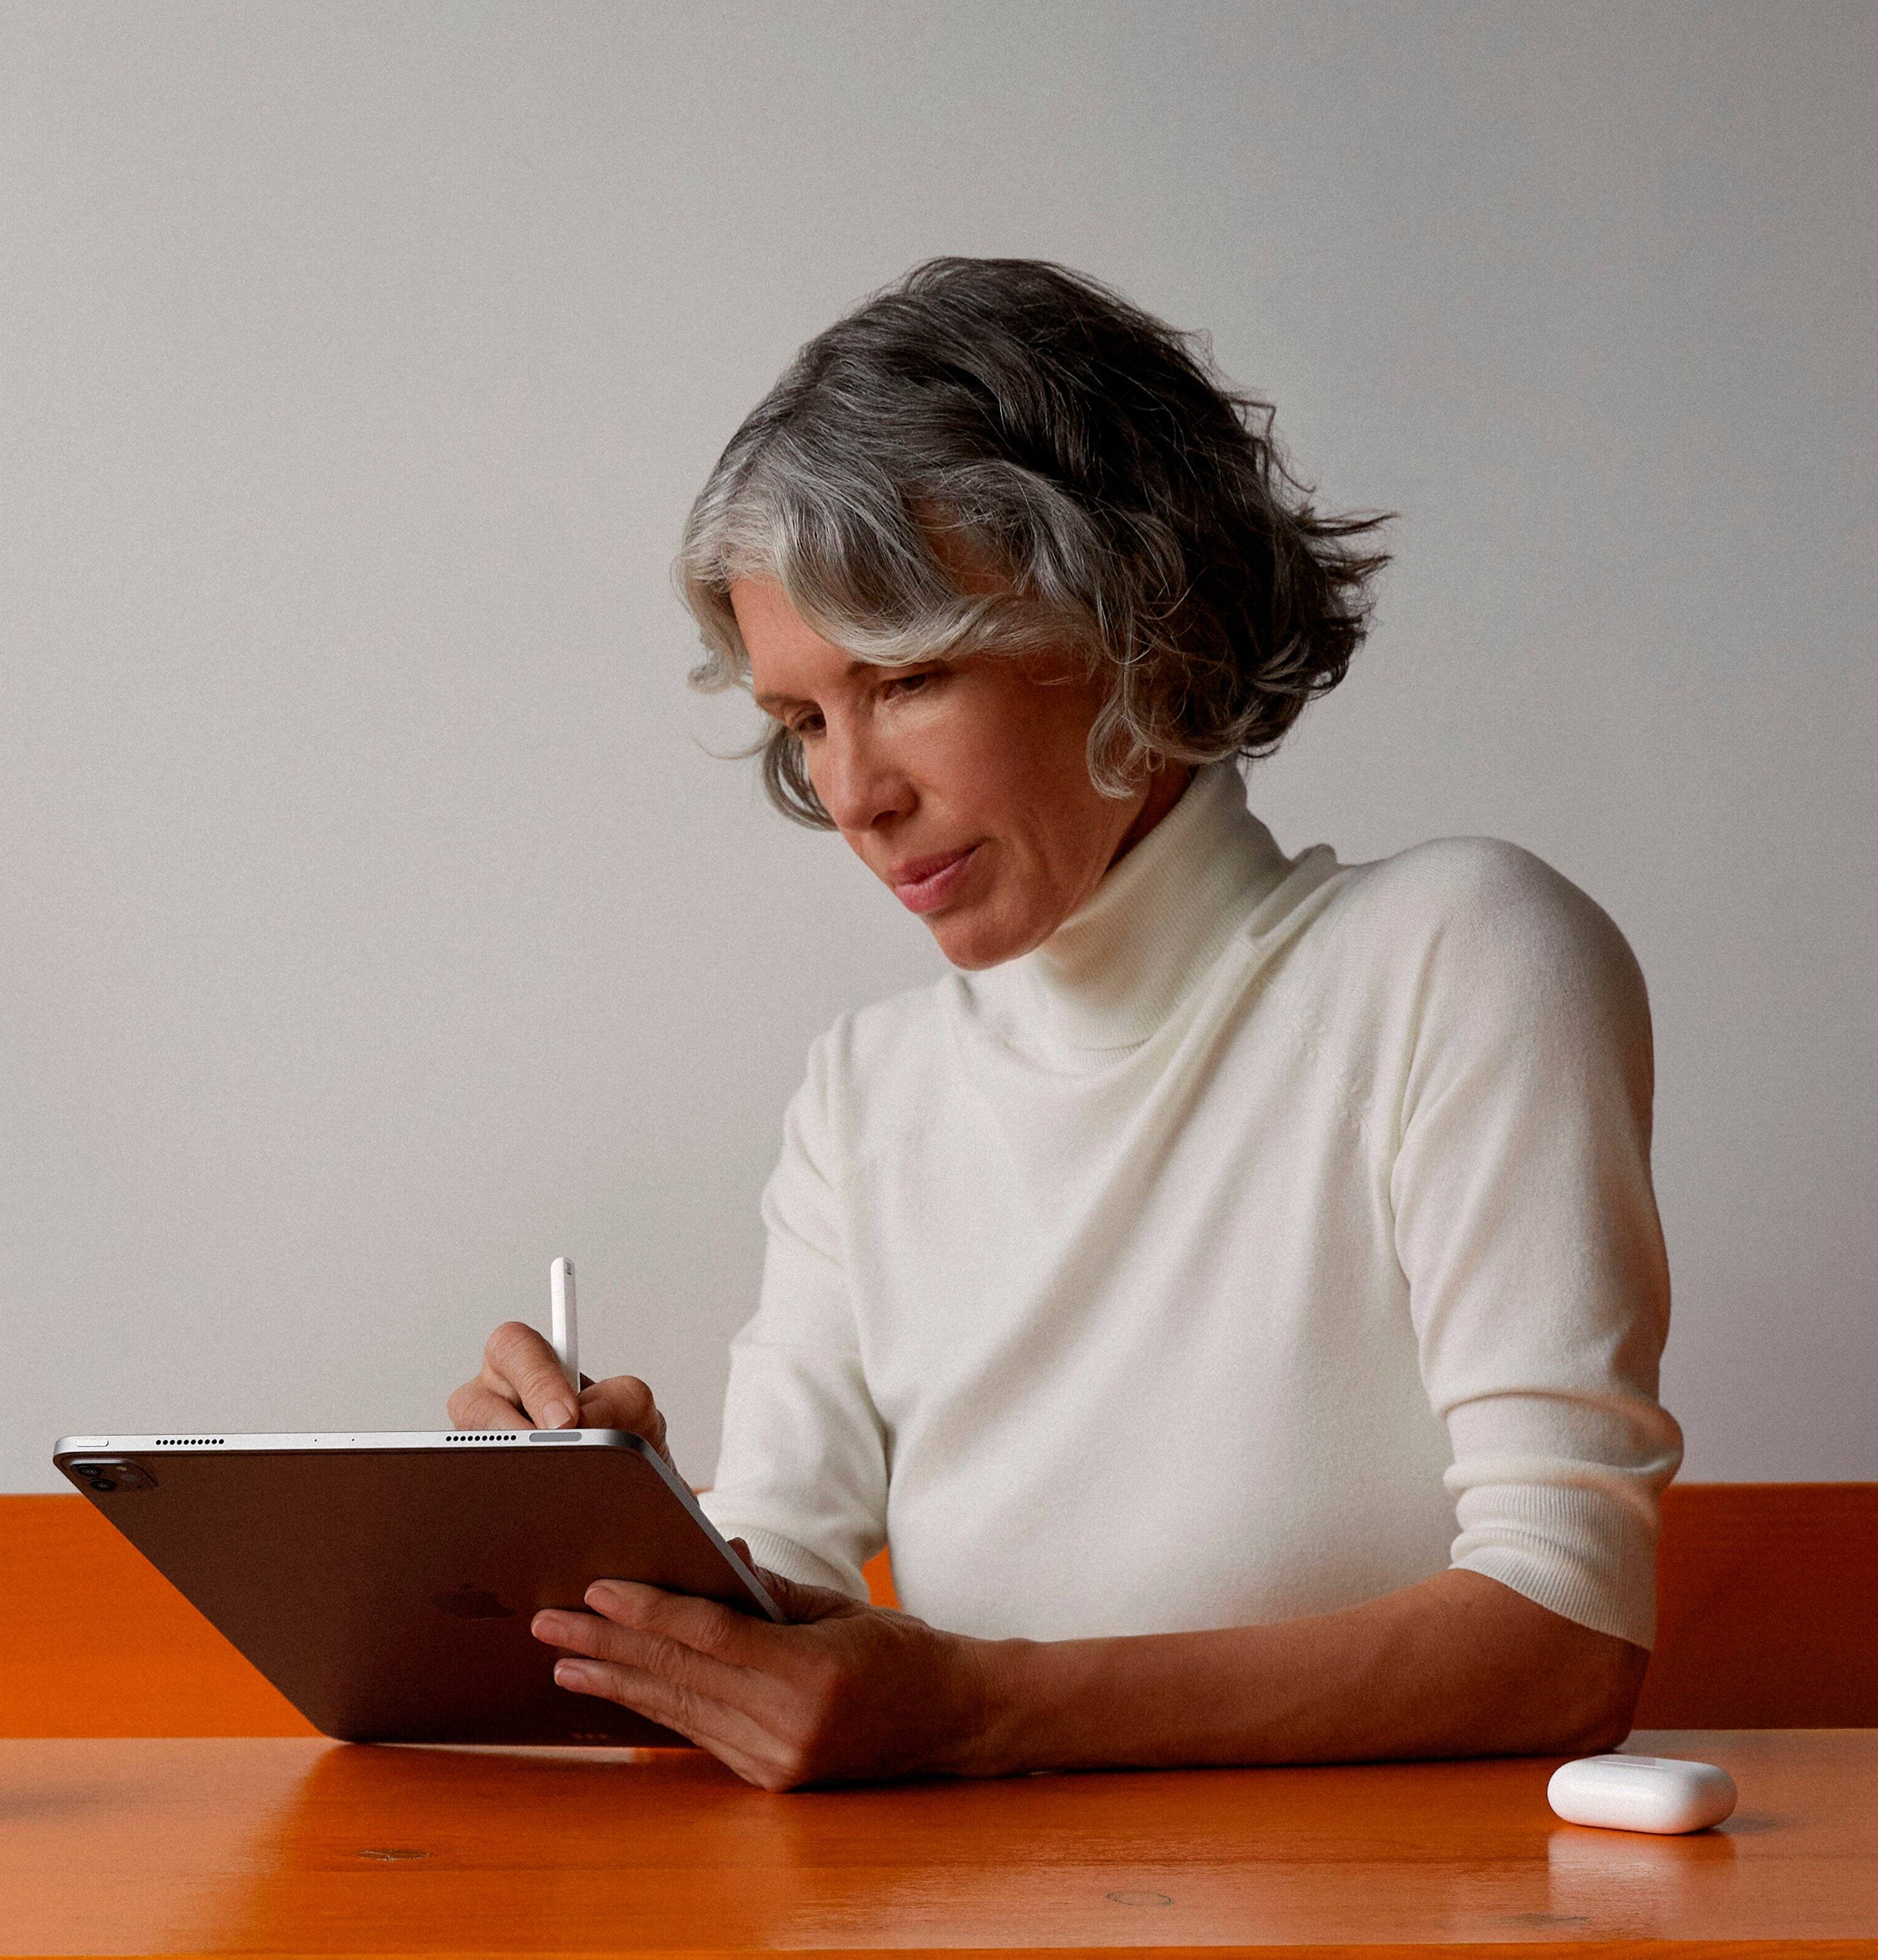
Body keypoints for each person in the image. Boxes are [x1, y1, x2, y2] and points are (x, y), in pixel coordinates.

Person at [449, 258, 1683, 1792]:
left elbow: (1564, 1633)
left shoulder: (1459, 956)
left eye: (908, 676)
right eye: (804, 719)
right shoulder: (867, 1094)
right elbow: (786, 1586)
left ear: (1138, 627)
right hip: (963, 1906)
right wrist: (600, 1538)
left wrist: (976, 1708)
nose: (852, 794)